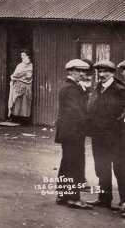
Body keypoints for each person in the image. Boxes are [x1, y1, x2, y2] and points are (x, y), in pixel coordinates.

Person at [54, 59, 93, 209]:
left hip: (70, 132)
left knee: (67, 163)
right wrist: (91, 126)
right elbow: (75, 112)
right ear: (70, 71)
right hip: (72, 132)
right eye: (78, 71)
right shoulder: (70, 88)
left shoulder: (74, 87)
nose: (82, 74)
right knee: (74, 164)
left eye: (83, 71)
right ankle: (73, 198)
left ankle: (62, 195)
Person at [87, 60, 125, 210]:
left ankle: (124, 202)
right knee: (101, 167)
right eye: (99, 72)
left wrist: (114, 128)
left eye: (105, 72)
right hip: (99, 135)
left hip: (116, 136)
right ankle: (104, 198)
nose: (102, 75)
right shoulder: (98, 88)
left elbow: (122, 115)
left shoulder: (120, 90)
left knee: (120, 168)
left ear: (112, 73)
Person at [8, 50, 33, 121]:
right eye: (21, 55)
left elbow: (28, 76)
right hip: (18, 86)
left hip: (26, 87)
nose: (22, 57)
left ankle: (24, 119)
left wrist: (15, 77)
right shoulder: (20, 65)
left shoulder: (30, 65)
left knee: (25, 102)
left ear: (28, 56)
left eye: (23, 55)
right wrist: (15, 77)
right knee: (16, 100)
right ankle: (15, 117)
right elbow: (16, 74)